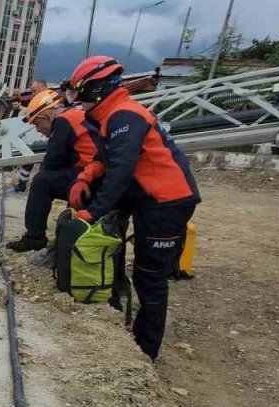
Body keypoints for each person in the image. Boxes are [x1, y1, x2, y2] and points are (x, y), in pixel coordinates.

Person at [66, 55, 200, 360]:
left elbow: (120, 170)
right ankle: (122, 307)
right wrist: (84, 177)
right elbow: (104, 157)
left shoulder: (124, 116)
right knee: (141, 268)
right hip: (150, 198)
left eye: (80, 92)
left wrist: (93, 212)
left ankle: (145, 350)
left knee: (149, 276)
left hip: (166, 202)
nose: (77, 101)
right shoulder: (113, 115)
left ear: (95, 91)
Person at [5, 89, 102, 252]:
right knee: (52, 179)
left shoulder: (63, 121)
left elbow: (52, 160)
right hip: (94, 175)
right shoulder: (74, 116)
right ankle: (63, 243)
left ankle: (34, 238)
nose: (37, 130)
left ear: (48, 115)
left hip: (91, 177)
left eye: (37, 124)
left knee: (41, 182)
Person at [8, 79, 50, 193]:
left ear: (42, 86)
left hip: (45, 141)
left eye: (34, 91)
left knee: (44, 166)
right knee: (28, 162)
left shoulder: (48, 102)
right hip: (34, 140)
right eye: (31, 92)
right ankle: (22, 185)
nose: (33, 94)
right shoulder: (37, 103)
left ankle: (40, 190)